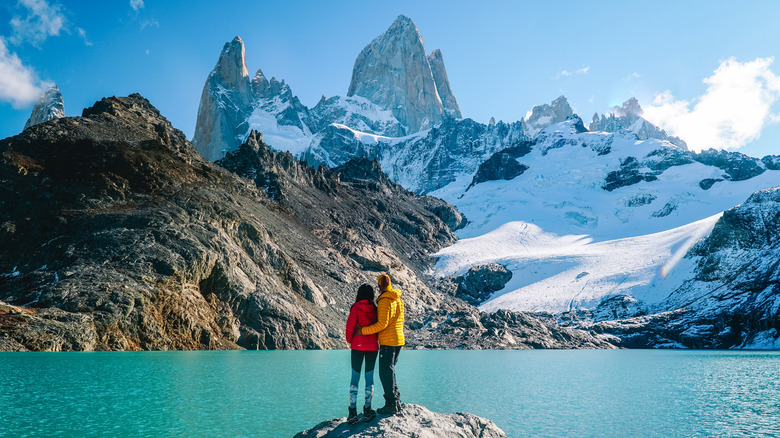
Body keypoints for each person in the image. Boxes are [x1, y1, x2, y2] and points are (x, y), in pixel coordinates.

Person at [353, 274, 405, 415]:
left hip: (388, 342)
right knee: (391, 370)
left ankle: (390, 404)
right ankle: (396, 401)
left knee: (385, 372)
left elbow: (382, 324)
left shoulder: (384, 301)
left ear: (380, 286)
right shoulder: (398, 298)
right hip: (399, 340)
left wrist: (362, 331)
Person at [345, 283, 379, 424]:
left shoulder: (356, 307)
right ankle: (367, 410)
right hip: (372, 346)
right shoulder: (375, 309)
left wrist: (350, 340)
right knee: (369, 378)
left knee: (355, 377)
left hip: (357, 346)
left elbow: (350, 325)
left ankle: (352, 412)